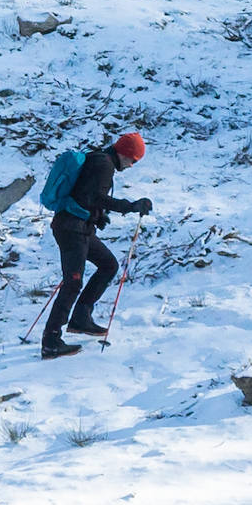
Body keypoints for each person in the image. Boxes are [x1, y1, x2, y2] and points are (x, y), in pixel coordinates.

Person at [41, 132, 153, 359]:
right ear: (125, 154)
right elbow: (96, 196)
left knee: (108, 265)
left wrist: (97, 216)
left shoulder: (98, 159)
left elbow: (85, 195)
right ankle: (51, 341)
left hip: (77, 227)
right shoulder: (104, 165)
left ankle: (81, 317)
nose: (132, 166)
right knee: (73, 283)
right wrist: (130, 206)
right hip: (72, 230)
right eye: (133, 160)